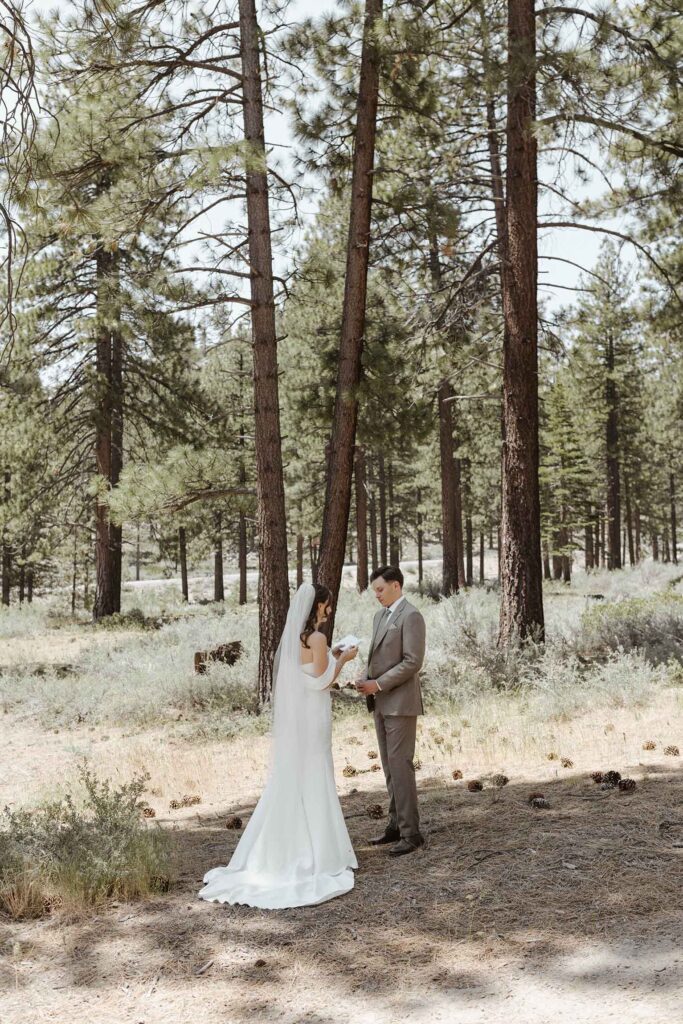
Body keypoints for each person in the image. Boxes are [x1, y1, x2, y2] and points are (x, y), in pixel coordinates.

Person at [198, 582, 359, 910]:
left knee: (302, 776)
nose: (329, 610)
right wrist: (344, 660)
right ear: (317, 607)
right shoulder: (316, 638)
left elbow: (308, 674)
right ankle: (320, 854)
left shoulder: (297, 641)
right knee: (316, 775)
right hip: (314, 718)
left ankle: (296, 846)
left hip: (302, 719)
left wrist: (332, 657)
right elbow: (320, 681)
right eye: (326, 605)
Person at [355, 565, 426, 857]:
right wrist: (366, 680)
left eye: (381, 589)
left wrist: (379, 684)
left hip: (401, 703)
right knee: (389, 768)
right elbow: (379, 657)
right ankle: (395, 826)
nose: (377, 595)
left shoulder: (411, 616)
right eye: (374, 591)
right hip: (381, 703)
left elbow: (412, 661)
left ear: (396, 585)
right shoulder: (379, 616)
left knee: (400, 767)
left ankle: (412, 834)